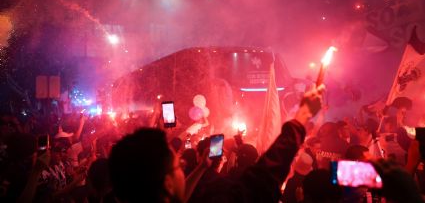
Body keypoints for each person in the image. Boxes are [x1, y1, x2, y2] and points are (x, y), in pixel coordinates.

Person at [108, 85, 324, 203]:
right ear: (167, 184)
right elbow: (262, 179)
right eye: (178, 167)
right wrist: (302, 117)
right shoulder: (221, 193)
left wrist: (201, 167)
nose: (184, 167)